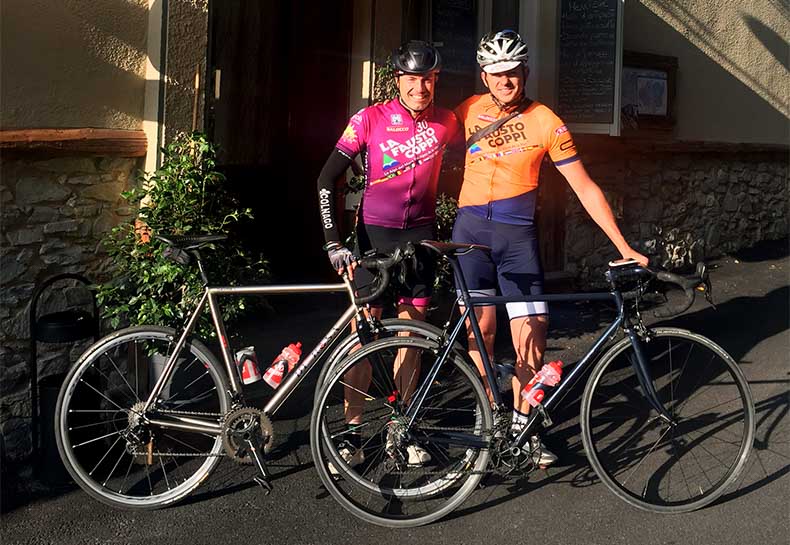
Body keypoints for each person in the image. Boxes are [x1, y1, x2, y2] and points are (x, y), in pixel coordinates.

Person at [452, 30, 648, 466]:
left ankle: (524, 427)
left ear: (525, 72)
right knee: (479, 333)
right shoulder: (466, 111)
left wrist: (624, 245)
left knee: (532, 334)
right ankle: (487, 420)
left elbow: (584, 187)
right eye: (497, 73)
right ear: (485, 75)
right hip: (468, 237)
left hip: (516, 239)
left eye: (513, 72)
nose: (505, 81)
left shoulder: (546, 121)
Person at [316, 40, 459, 469]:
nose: (421, 88)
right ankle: (353, 433)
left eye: (429, 80)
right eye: (413, 79)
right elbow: (326, 181)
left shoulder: (448, 123)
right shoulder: (369, 119)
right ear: (398, 79)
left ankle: (404, 427)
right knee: (363, 337)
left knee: (411, 338)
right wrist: (332, 241)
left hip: (420, 239)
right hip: (372, 240)